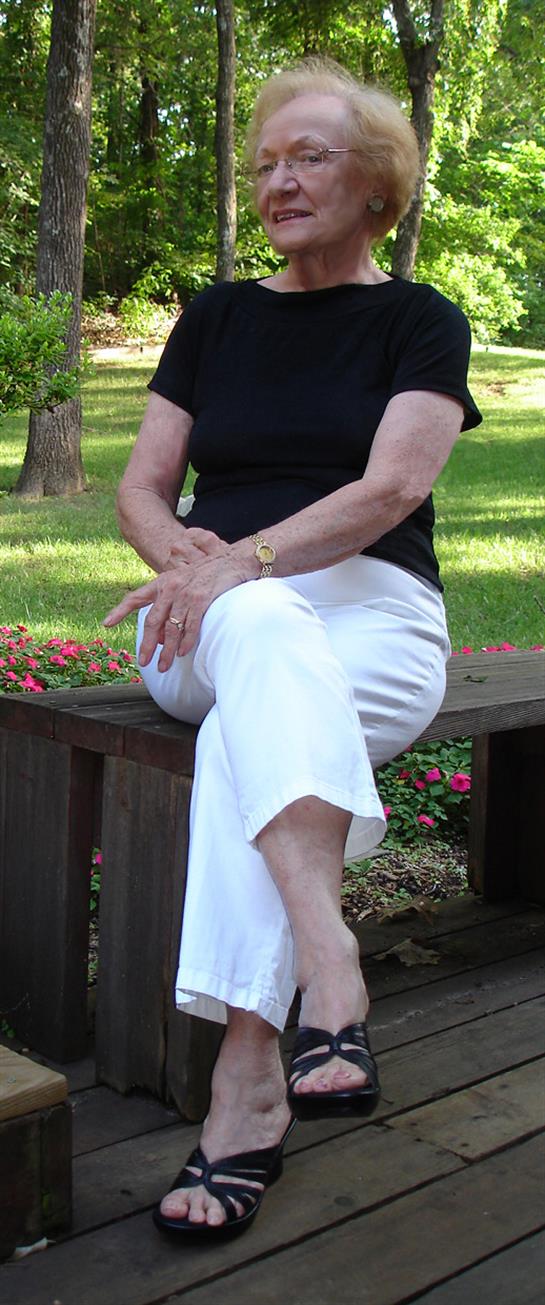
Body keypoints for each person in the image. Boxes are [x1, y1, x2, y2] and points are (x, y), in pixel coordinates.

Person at [103, 57, 481, 1240]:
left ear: (377, 186)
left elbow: (390, 487)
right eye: (264, 163)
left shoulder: (417, 319)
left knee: (243, 744)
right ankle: (332, 965)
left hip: (372, 614)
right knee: (256, 632)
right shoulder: (214, 316)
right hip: (205, 620)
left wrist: (243, 559)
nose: (276, 180)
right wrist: (194, 564)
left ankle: (245, 1087)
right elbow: (141, 493)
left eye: (307, 156)